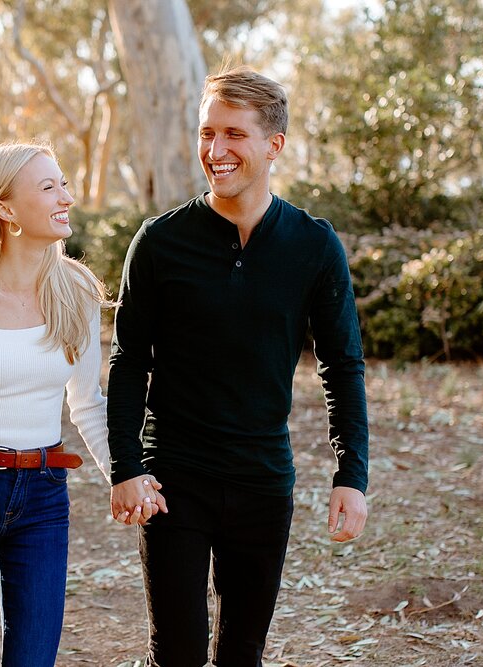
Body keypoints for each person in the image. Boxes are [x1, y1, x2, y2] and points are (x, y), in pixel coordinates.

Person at [106, 66, 370, 666]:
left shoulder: (313, 246)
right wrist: (126, 466)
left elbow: (342, 364)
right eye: (206, 134)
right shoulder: (160, 243)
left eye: (233, 135)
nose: (214, 151)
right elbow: (127, 363)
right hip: (174, 478)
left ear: (273, 146)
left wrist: (351, 474)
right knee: (175, 652)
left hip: (262, 480)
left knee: (242, 654)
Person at [0, 142, 161, 666]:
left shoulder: (76, 292)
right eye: (48, 188)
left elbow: (87, 403)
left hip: (44, 497)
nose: (66, 197)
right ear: (3, 208)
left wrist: (124, 474)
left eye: (63, 183)